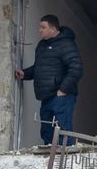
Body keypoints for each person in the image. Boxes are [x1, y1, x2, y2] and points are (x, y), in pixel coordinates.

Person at [15, 14, 85, 145]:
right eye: (40, 27)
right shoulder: (42, 45)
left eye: (43, 27)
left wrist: (63, 90)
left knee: (62, 130)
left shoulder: (66, 44)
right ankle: (48, 156)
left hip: (62, 96)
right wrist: (25, 74)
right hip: (46, 97)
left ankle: (64, 156)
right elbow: (40, 67)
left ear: (53, 29)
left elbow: (76, 68)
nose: (40, 30)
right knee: (47, 132)